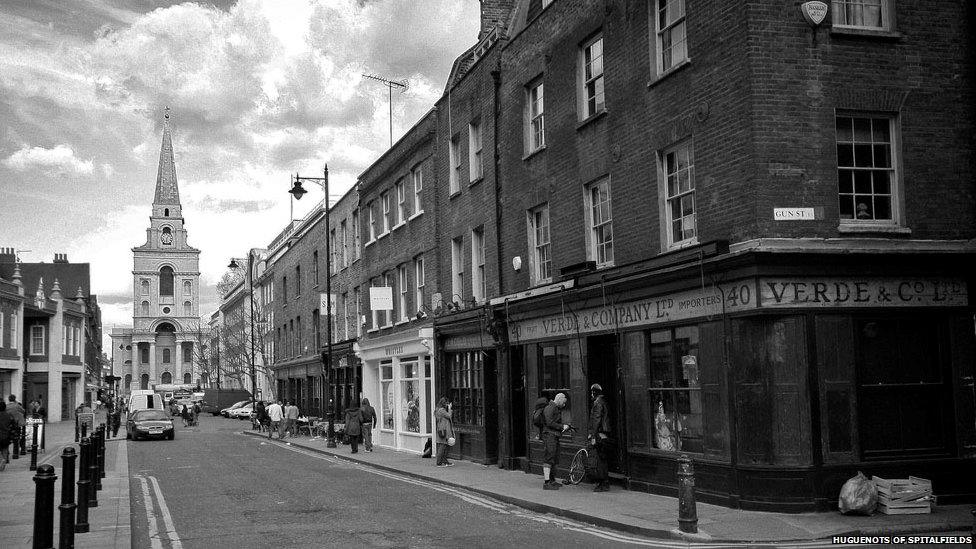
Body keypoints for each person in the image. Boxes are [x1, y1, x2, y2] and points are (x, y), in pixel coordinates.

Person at [541, 392, 570, 490]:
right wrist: (562, 426)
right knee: (549, 458)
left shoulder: (555, 408)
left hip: (554, 436)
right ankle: (547, 482)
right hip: (549, 436)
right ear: (560, 399)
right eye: (564, 402)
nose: (564, 405)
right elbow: (549, 422)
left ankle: (552, 480)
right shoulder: (550, 408)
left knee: (554, 458)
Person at [588, 384, 612, 492]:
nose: (591, 395)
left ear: (594, 392)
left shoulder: (597, 403)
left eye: (592, 392)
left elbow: (596, 420)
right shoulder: (604, 401)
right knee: (602, 458)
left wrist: (593, 435)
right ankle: (604, 482)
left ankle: (603, 483)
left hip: (599, 434)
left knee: (600, 459)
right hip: (604, 433)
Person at [433, 397, 455, 467]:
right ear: (443, 404)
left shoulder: (438, 410)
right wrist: (450, 409)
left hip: (443, 430)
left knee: (446, 446)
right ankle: (439, 463)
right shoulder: (441, 410)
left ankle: (445, 461)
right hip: (444, 431)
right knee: (442, 447)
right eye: (446, 403)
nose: (447, 404)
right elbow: (449, 416)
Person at [0, 401, 17, 470]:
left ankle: (1, 459)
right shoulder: (9, 415)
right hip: (6, 435)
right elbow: (14, 425)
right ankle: (4, 460)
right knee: (5, 449)